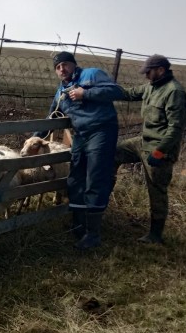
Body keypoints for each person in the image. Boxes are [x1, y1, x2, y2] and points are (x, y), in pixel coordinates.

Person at [37, 51, 123, 249]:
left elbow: (116, 91)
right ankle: (78, 225)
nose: (62, 69)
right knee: (75, 177)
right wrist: (35, 138)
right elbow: (52, 118)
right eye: (58, 67)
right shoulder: (61, 92)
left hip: (102, 130)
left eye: (65, 64)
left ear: (73, 64)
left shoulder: (91, 75)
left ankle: (93, 234)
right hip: (81, 135)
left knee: (95, 177)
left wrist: (86, 93)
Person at [114, 54, 186, 244]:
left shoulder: (174, 92)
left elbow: (175, 128)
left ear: (160, 70)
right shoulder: (150, 87)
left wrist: (160, 151)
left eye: (149, 71)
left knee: (156, 190)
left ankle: (155, 234)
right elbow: (129, 93)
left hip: (159, 148)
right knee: (113, 152)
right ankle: (103, 197)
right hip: (143, 142)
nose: (146, 75)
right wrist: (99, 88)